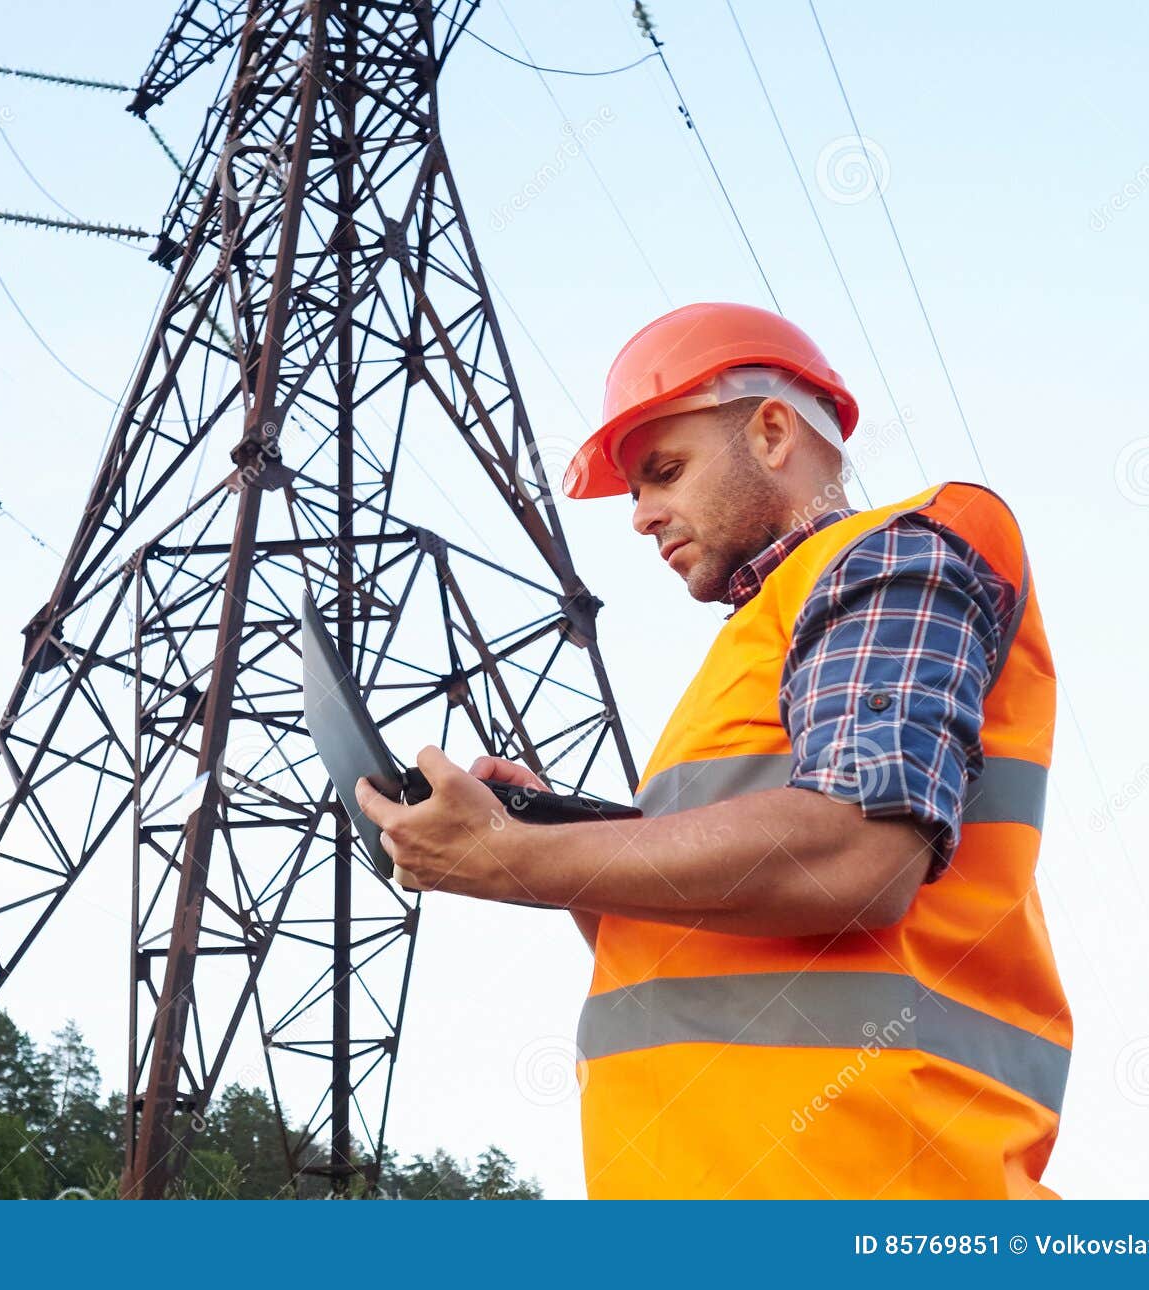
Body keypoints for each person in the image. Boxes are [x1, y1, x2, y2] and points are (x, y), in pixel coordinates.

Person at [353, 301, 1072, 1199]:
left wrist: (515, 856)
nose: (642, 516)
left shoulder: (893, 554)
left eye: (664, 470)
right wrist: (549, 826)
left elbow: (860, 851)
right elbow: (694, 959)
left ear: (772, 431)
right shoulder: (748, 656)